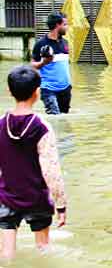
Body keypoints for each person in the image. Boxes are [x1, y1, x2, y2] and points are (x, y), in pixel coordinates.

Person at [0, 66, 67, 259]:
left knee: (6, 254)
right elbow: (51, 171)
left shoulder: (1, 124)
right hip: (36, 197)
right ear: (37, 92)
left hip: (7, 196)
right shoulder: (42, 128)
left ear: (10, 91)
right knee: (43, 249)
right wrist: (61, 205)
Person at [31, 13, 71, 115]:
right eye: (65, 24)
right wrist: (43, 62)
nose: (67, 27)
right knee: (55, 118)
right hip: (48, 89)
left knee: (64, 119)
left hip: (65, 88)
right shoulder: (41, 44)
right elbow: (33, 65)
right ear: (58, 25)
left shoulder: (65, 43)